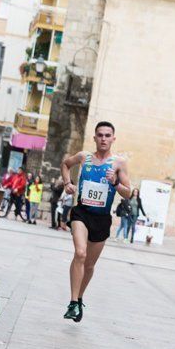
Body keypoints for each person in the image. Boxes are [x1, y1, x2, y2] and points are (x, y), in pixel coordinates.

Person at [60, 121, 133, 322]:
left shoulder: (118, 163)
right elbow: (66, 164)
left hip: (102, 218)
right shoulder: (85, 158)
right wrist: (67, 183)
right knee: (80, 253)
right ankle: (73, 302)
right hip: (81, 213)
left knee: (90, 265)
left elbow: (128, 194)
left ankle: (80, 297)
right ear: (94, 137)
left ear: (113, 139)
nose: (103, 139)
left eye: (107, 135)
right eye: (100, 135)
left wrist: (115, 182)